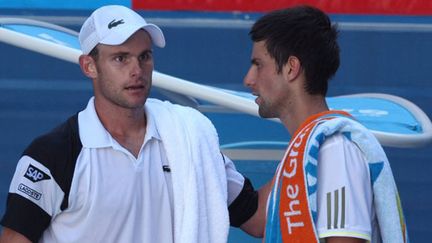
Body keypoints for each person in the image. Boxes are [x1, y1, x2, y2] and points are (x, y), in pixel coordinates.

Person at [0, 5, 267, 243]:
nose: (136, 70)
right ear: (89, 66)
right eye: (120, 58)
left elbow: (257, 218)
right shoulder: (53, 154)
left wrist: (305, 138)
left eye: (144, 56)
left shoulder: (187, 140)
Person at [243, 5, 409, 243]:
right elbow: (259, 215)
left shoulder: (335, 150)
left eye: (258, 64)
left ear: (291, 68)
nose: (248, 79)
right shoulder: (308, 151)